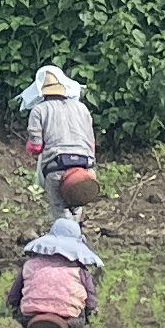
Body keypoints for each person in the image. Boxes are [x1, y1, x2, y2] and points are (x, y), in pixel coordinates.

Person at [17, 65, 100, 218]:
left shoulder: (39, 110)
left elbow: (36, 147)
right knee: (76, 210)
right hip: (85, 168)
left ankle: (64, 231)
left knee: (61, 214)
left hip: (57, 168)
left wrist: (29, 148)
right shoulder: (82, 108)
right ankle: (76, 230)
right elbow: (91, 144)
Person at [6, 220, 104, 328]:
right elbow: (90, 299)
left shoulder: (30, 264)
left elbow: (14, 295)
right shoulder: (79, 270)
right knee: (81, 317)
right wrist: (93, 314)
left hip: (29, 317)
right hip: (69, 320)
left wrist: (11, 308)